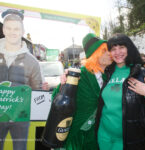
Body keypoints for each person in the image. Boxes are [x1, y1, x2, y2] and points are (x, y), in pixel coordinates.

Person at [51, 33, 112, 150]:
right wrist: (63, 84)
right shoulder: (80, 74)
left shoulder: (108, 76)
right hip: (75, 132)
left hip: (94, 133)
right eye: (104, 51)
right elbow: (57, 98)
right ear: (95, 55)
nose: (109, 53)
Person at [95, 33, 145, 150]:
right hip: (103, 136)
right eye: (113, 49)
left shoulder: (143, 74)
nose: (117, 52)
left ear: (128, 48)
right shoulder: (106, 73)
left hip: (128, 141)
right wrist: (66, 77)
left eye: (121, 47)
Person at [0, 9, 43, 150]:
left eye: (17, 29)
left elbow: (37, 91)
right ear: (3, 29)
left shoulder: (32, 62)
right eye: (9, 28)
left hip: (20, 119)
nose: (13, 32)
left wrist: (44, 89)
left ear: (22, 32)